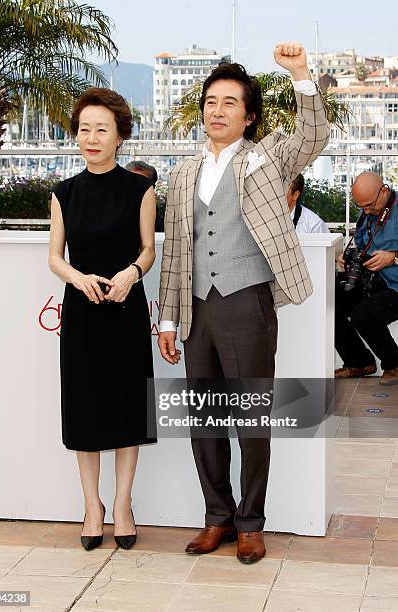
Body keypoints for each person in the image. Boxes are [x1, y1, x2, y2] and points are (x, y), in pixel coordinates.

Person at [158, 43, 329, 564]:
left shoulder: (266, 156)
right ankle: (218, 517)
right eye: (211, 101)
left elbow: (313, 137)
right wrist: (167, 317)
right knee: (204, 420)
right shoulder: (184, 172)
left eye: (230, 102)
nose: (217, 110)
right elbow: (176, 252)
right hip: (196, 309)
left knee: (252, 419)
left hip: (248, 301)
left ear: (248, 115)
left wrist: (299, 74)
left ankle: (252, 523)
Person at [48, 88, 157, 551]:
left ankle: (124, 504)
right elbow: (54, 257)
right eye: (84, 129)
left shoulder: (140, 189)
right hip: (82, 314)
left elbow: (148, 249)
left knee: (126, 408)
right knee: (86, 409)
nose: (91, 138)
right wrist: (77, 278)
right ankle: (92, 506)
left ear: (120, 137)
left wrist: (131, 274)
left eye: (101, 130)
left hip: (126, 310)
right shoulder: (64, 192)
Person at [335, 172, 398, 384]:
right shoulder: (368, 213)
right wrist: (347, 258)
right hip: (374, 282)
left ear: (384, 191)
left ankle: (394, 364)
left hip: (395, 287)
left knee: (363, 315)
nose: (366, 211)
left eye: (369, 205)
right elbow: (362, 245)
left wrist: (393, 257)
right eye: (361, 206)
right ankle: (359, 361)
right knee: (332, 300)